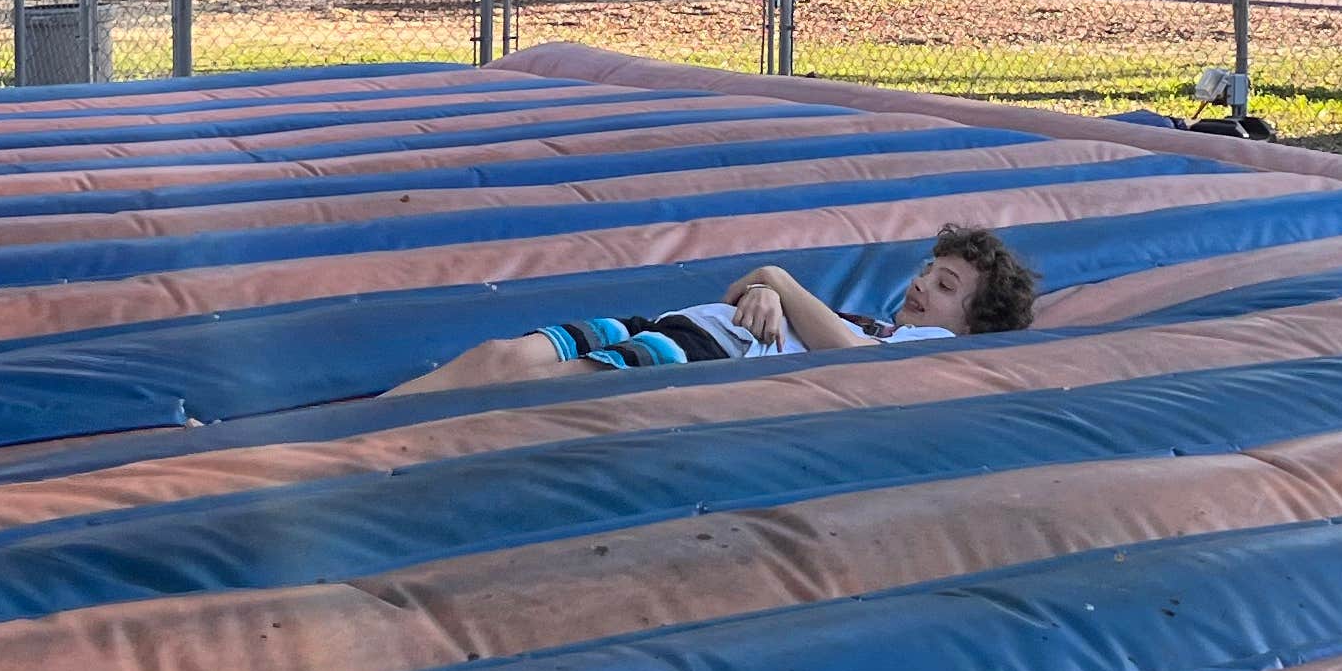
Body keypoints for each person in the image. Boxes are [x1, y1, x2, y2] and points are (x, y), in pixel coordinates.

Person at [395, 221, 1040, 394]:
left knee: (538, 387)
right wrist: (760, 288)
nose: (925, 284)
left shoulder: (924, 354)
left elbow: (854, 362)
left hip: (708, 350)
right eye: (930, 270)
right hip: (682, 323)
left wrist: (777, 279)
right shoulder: (869, 320)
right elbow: (760, 301)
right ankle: (347, 431)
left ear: (970, 328)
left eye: (947, 287)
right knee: (499, 355)